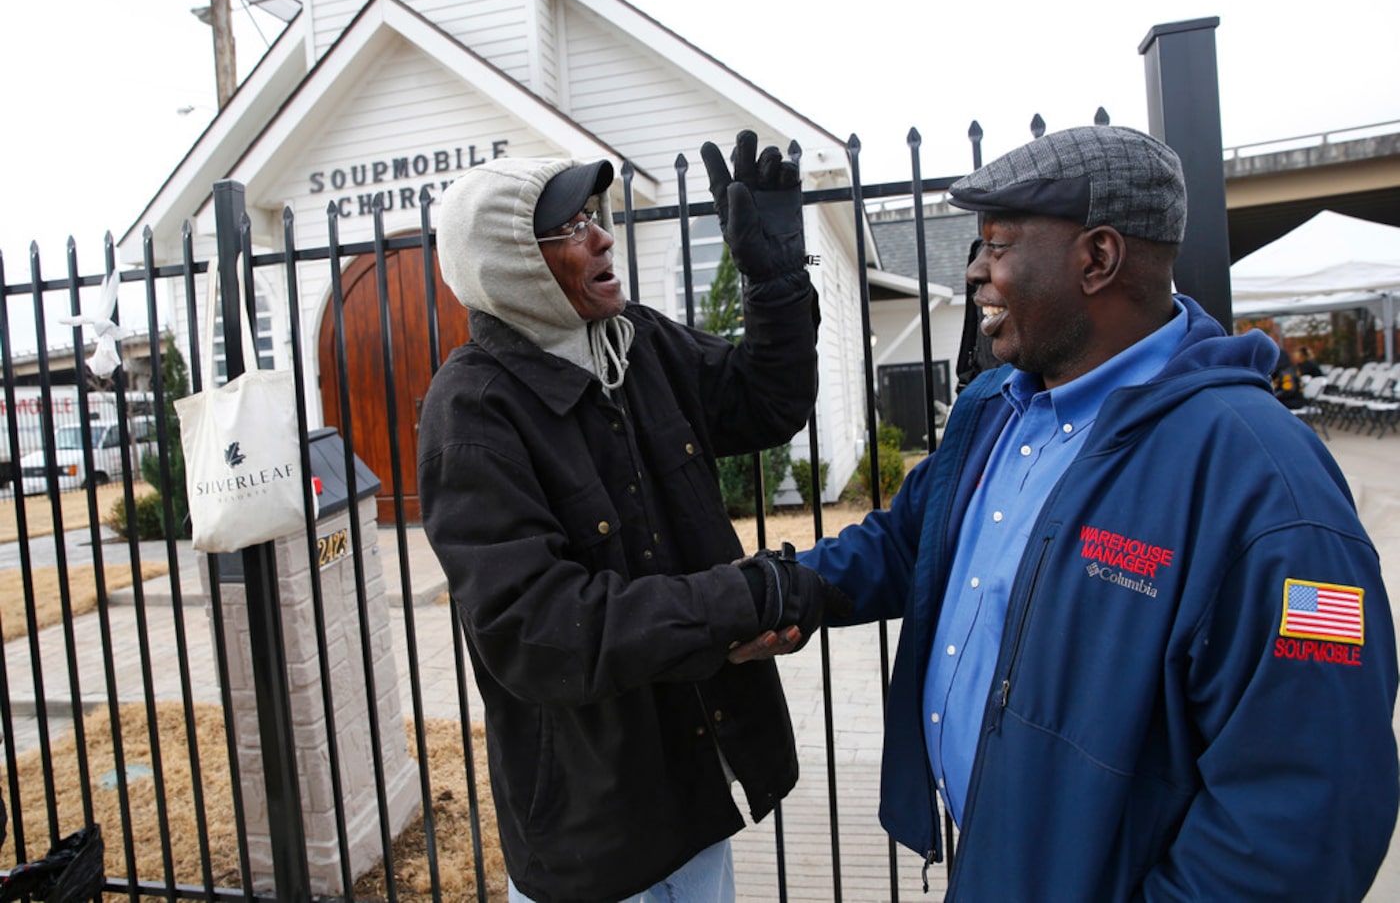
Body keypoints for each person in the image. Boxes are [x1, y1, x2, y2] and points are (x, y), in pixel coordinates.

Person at [786, 125, 1398, 900]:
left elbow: (1310, 809)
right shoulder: (996, 410)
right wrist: (767, 593)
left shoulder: (1267, 483)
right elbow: (911, 546)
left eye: (998, 245)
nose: (974, 270)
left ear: (1098, 259)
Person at [417, 131, 846, 903]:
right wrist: (741, 598)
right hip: (596, 837)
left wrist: (775, 278)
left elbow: (767, 402)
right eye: (571, 226)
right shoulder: (474, 412)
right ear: (511, 259)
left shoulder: (635, 344)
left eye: (595, 214)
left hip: (694, 790)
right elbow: (538, 629)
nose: (602, 235)